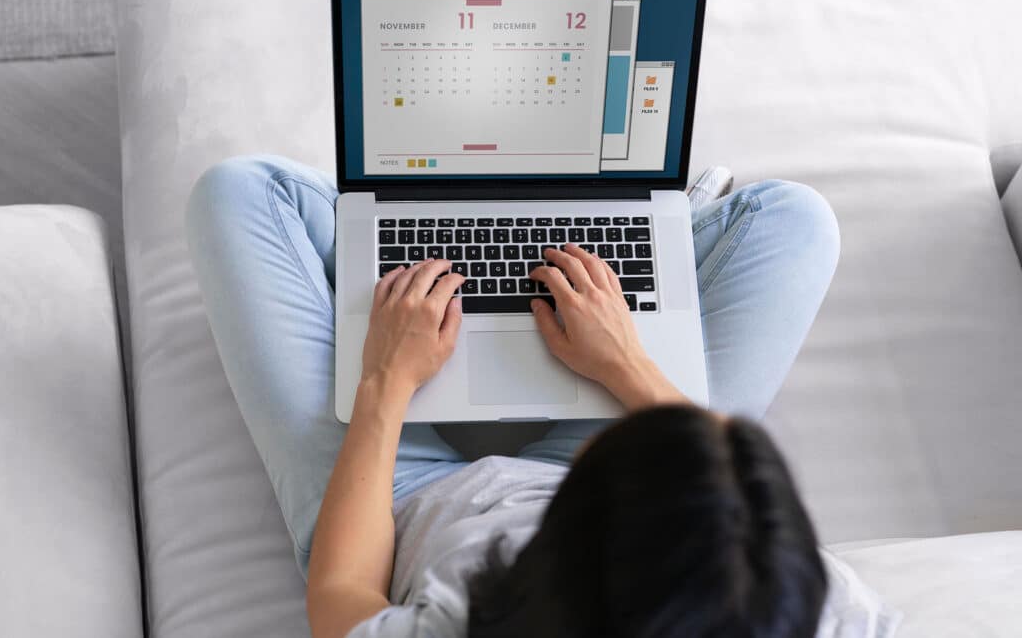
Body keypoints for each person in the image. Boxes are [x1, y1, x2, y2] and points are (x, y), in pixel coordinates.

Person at [185, 156, 841, 637]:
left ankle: (400, 240)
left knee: (240, 192)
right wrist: (626, 359)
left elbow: (340, 596)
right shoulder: (785, 602)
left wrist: (385, 382)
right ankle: (641, 230)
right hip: (604, 480)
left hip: (399, 506)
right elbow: (728, 504)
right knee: (795, 219)